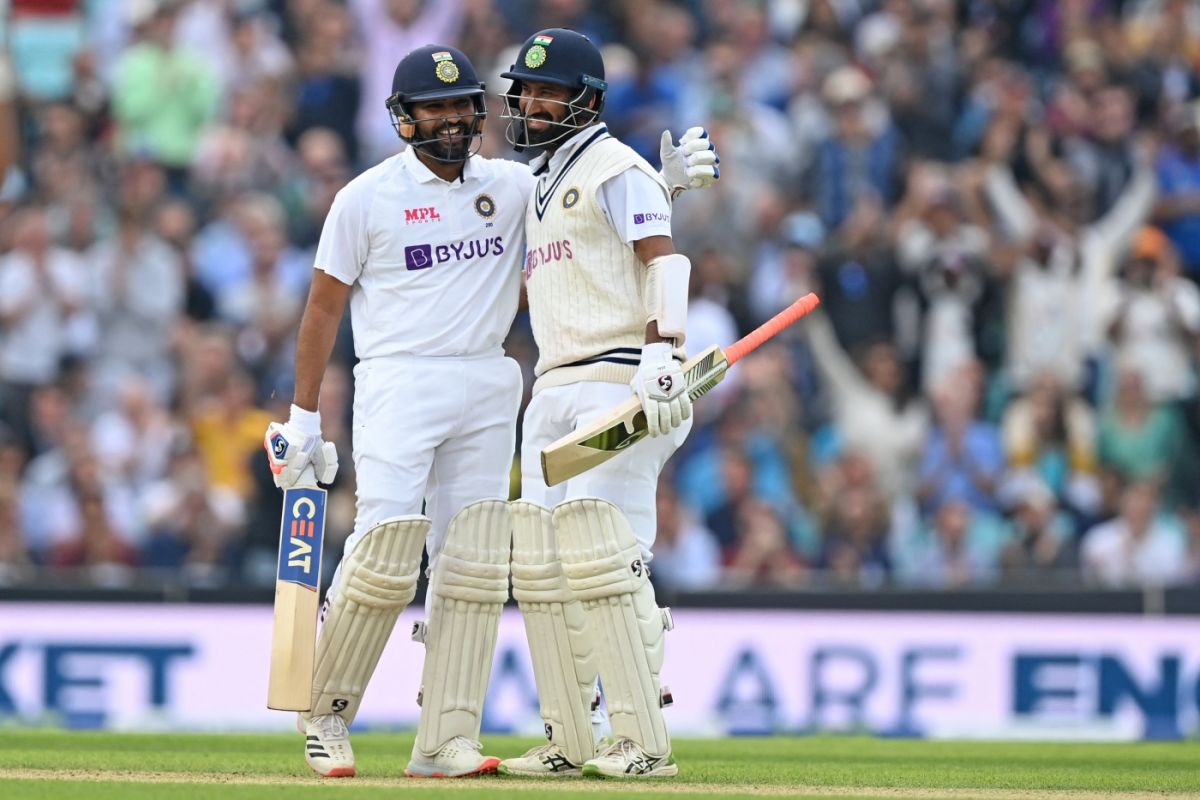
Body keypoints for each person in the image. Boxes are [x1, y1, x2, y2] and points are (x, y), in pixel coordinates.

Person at [262, 43, 718, 780]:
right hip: (399, 381)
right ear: (404, 118)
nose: (449, 119)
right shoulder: (365, 197)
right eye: (432, 108)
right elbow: (321, 308)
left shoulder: (511, 184)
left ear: (478, 111)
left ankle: (444, 739)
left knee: (471, 564)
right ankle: (327, 715)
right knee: (382, 552)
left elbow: (588, 218)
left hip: (489, 382)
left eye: (459, 105)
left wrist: (656, 188)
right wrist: (305, 419)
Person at [498, 28, 719, 779]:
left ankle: (643, 737)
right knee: (543, 569)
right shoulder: (539, 183)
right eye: (525, 91)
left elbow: (665, 262)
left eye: (547, 91)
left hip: (622, 377)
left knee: (602, 559)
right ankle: (572, 736)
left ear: (586, 100)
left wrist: (662, 351)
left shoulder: (615, 166)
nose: (531, 103)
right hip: (554, 384)